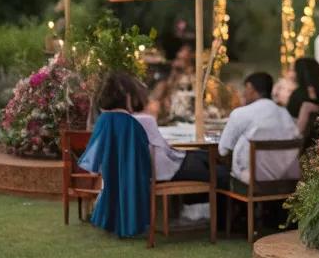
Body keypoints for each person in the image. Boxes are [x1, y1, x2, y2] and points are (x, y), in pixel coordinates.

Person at [97, 70, 227, 187]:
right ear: (129, 97)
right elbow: (163, 151)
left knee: (203, 158)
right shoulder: (143, 120)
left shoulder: (106, 121)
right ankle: (230, 211)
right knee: (221, 173)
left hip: (133, 175)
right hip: (162, 173)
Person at [217, 72, 301, 188]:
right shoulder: (285, 114)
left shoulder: (241, 114)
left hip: (253, 181)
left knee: (213, 171)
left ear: (250, 88)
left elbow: (223, 151)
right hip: (285, 180)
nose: (244, 94)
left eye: (245, 89)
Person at [287, 56, 319, 142]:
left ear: (300, 72)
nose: (290, 74)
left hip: (296, 141)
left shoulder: (298, 95)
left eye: (293, 70)